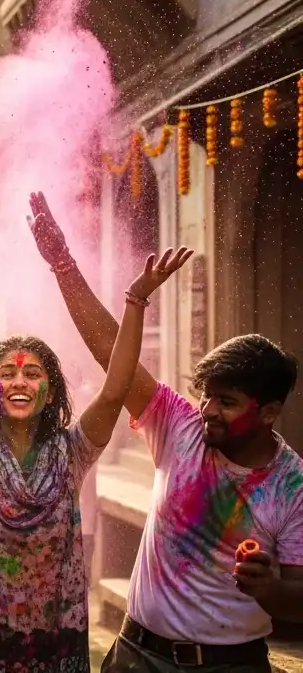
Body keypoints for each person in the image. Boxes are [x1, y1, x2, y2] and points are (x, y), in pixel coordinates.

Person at [28, 192, 303, 672]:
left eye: (228, 402)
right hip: (137, 655)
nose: (209, 411)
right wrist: (63, 264)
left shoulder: (293, 485)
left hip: (231, 664)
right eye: (207, 396)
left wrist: (271, 590)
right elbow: (111, 353)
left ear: (269, 412)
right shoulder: (180, 425)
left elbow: (299, 598)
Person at [0, 248, 189, 672]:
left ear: (52, 391)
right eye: (7, 373)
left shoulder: (72, 452)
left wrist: (135, 300)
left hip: (52, 644)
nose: (20, 381)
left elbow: (115, 392)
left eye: (33, 373)